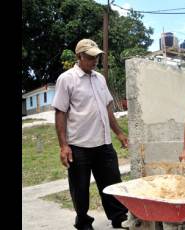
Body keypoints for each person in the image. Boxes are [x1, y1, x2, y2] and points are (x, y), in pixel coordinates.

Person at [52, 39, 129, 229]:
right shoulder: (67, 79)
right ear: (79, 56)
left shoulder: (99, 78)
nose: (94, 60)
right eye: (90, 57)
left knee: (112, 184)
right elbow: (60, 112)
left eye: (97, 56)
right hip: (79, 145)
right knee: (80, 189)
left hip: (103, 143)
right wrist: (64, 146)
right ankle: (83, 221)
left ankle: (119, 218)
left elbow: (107, 108)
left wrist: (119, 133)